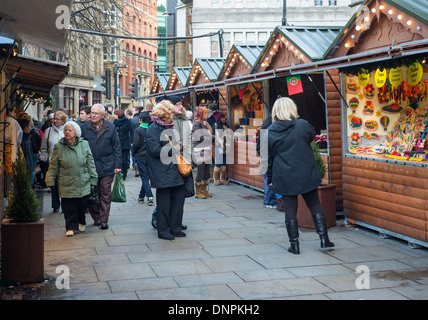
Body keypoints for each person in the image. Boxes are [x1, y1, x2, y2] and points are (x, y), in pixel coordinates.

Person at [267, 97, 334, 255]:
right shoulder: (303, 125)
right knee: (314, 204)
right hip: (305, 172)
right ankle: (324, 239)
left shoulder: (269, 132)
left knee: (290, 208)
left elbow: (267, 159)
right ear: (292, 109)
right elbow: (311, 137)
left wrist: (270, 178)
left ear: (275, 111)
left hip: (284, 174)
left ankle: (294, 245)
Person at [45, 121, 98, 237]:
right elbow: (53, 165)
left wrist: (94, 179)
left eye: (70, 130)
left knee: (82, 205)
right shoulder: (59, 147)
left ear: (76, 133)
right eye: (65, 131)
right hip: (66, 182)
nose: (67, 132)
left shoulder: (84, 144)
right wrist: (50, 179)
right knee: (69, 207)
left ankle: (81, 221)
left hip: (82, 181)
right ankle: (70, 227)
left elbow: (91, 163)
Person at [146, 100, 186, 240]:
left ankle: (175, 227)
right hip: (161, 171)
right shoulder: (153, 129)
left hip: (174, 170)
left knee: (178, 200)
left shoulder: (168, 127)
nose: (173, 116)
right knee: (164, 203)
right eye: (171, 113)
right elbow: (155, 151)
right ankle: (163, 231)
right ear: (164, 114)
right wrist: (174, 148)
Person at [80, 104, 122, 230]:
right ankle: (96, 217)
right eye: (92, 113)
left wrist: (117, 165)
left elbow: (117, 147)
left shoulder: (111, 127)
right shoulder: (84, 127)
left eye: (96, 113)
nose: (93, 115)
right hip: (90, 167)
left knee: (105, 193)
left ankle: (104, 220)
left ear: (103, 115)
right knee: (93, 194)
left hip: (107, 165)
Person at [40, 111, 67, 212]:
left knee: (64, 185)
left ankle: (65, 206)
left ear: (63, 120)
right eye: (54, 118)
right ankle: (56, 205)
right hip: (52, 162)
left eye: (57, 119)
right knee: (54, 185)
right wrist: (43, 158)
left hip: (65, 162)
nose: (54, 121)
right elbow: (44, 146)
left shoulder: (67, 130)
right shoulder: (48, 130)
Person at [192, 107, 213, 199]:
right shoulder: (197, 123)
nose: (207, 115)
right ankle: (198, 192)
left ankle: (204, 190)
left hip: (207, 148)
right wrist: (213, 138)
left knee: (206, 169)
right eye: (206, 113)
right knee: (201, 169)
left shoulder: (205, 123)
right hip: (200, 149)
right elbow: (198, 137)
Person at [256, 114, 277, 209]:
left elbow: (259, 145)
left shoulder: (265, 126)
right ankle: (270, 201)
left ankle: (269, 200)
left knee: (267, 177)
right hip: (268, 155)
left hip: (265, 155)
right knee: (268, 178)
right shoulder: (270, 127)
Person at [133, 112, 153, 205]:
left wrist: (134, 152)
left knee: (144, 177)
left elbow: (136, 144)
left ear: (141, 120)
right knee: (146, 177)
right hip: (150, 156)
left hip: (141, 156)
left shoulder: (138, 130)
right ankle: (141, 196)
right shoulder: (151, 129)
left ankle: (150, 196)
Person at [113, 109, 134, 180]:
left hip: (125, 143)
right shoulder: (114, 122)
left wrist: (132, 141)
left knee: (124, 160)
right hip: (117, 144)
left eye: (115, 114)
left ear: (119, 115)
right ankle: (119, 173)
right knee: (118, 160)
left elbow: (132, 131)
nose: (114, 116)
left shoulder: (127, 122)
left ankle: (123, 174)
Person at [212, 110, 231, 185]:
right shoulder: (215, 126)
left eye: (224, 118)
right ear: (219, 119)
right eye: (222, 118)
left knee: (224, 163)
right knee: (218, 163)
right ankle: (216, 179)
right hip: (219, 146)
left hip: (226, 147)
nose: (224, 119)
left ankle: (222, 179)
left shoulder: (226, 126)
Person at [17, 118, 35, 183]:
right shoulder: (22, 140)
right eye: (29, 126)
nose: (31, 128)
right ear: (26, 127)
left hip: (29, 166)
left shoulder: (28, 138)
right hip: (26, 167)